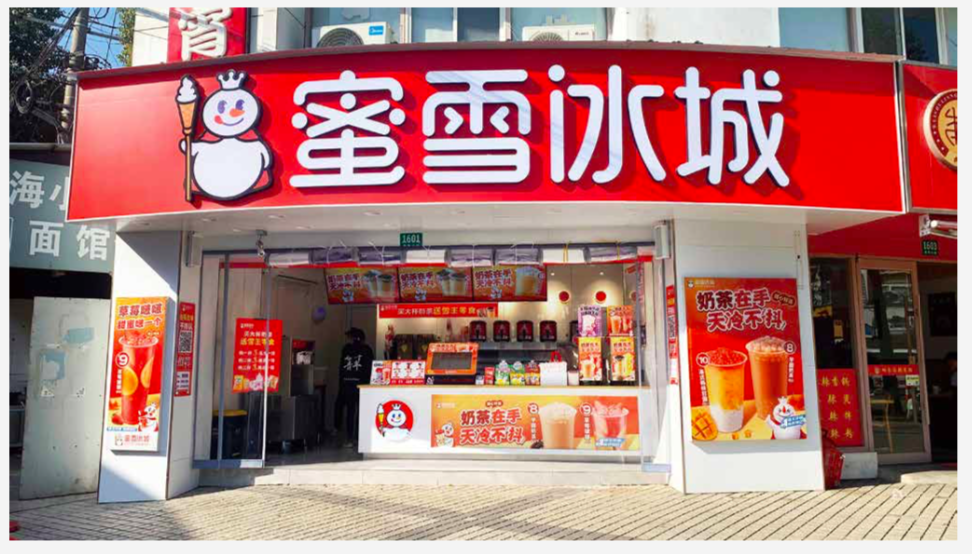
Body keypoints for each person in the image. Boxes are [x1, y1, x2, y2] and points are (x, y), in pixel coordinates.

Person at [334, 327, 374, 448]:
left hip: (347, 384)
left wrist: (341, 385)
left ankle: (350, 438)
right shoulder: (366, 350)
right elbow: (370, 368)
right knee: (360, 412)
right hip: (361, 385)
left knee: (351, 412)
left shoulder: (346, 349)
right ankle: (359, 437)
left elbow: (342, 368)